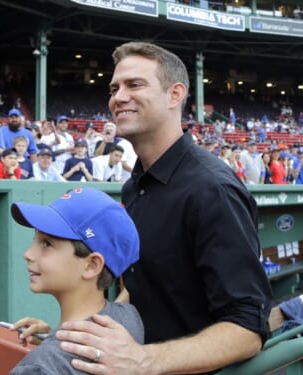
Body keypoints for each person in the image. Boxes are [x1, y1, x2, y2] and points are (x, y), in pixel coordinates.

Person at [46, 42, 271, 374]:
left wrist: (144, 360)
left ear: (175, 94)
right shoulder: (134, 186)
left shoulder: (213, 189)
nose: (117, 97)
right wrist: (70, 337)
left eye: (134, 85)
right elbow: (142, 293)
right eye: (114, 88)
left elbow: (248, 328)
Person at [8, 187, 143, 374]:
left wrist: (53, 347)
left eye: (47, 243)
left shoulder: (39, 368)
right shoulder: (129, 317)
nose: (28, 254)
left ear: (92, 265)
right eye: (35, 240)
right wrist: (53, 337)